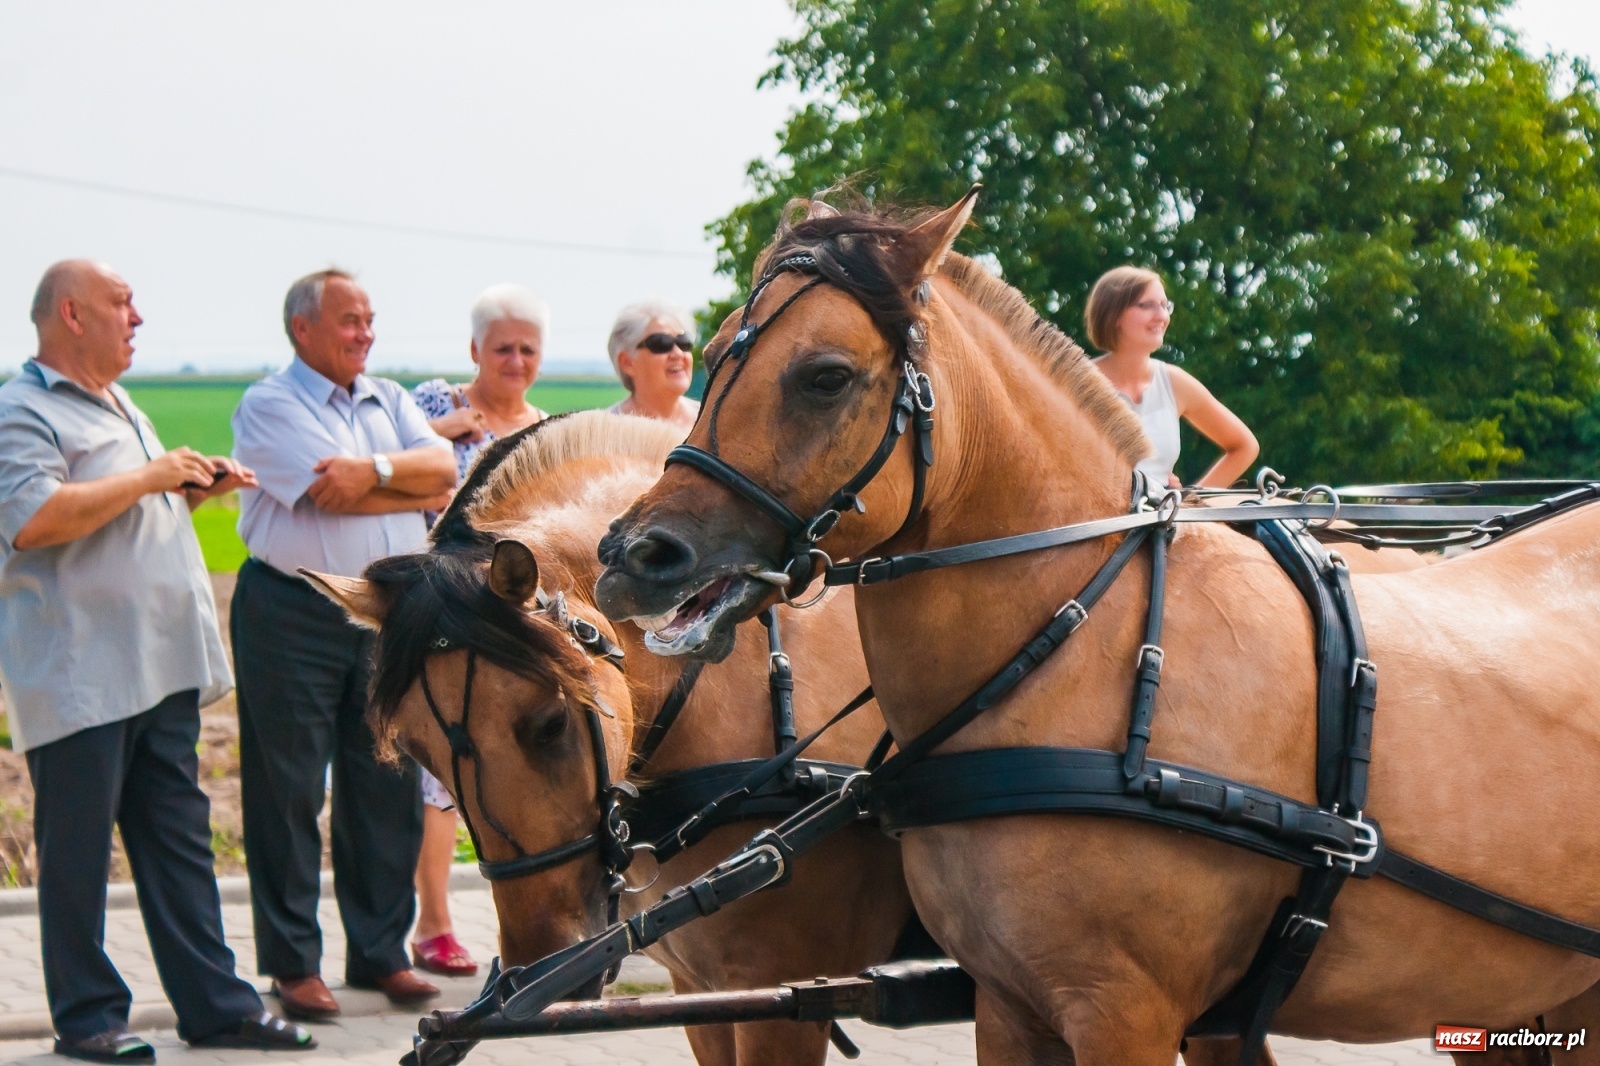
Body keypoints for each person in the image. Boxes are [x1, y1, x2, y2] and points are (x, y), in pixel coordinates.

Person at [0, 260, 315, 1061]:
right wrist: (151, 475)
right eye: (122, 303)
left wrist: (189, 489)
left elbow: (120, 509)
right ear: (72, 314)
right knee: (78, 857)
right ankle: (87, 1019)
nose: (137, 317)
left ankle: (217, 1008)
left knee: (180, 850)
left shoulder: (118, 402)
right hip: (81, 674)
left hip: (159, 668)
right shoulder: (21, 410)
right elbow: (33, 517)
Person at [230, 269, 457, 1021]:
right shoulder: (270, 403)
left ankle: (380, 953)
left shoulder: (389, 398)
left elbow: (443, 472)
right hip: (291, 610)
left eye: (369, 319)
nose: (366, 333)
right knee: (289, 789)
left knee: (385, 781)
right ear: (303, 329)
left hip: (384, 614)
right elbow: (329, 494)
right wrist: (403, 484)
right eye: (349, 320)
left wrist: (377, 471)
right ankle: (293, 965)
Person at [406, 283, 550, 977]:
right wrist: (440, 437)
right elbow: (397, 464)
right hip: (444, 609)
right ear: (474, 350)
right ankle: (433, 924)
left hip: (511, 620)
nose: (515, 361)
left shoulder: (545, 430)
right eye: (502, 349)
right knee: (442, 778)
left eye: (528, 349)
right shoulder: (434, 404)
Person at [1085, 266, 1258, 489]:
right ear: (1113, 314)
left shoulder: (1175, 383)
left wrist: (1191, 500)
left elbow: (1244, 446)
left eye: (1164, 305)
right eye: (1146, 305)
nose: (1161, 316)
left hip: (1163, 512)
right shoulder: (1077, 383)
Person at [605, 299, 700, 434]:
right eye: (661, 344)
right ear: (627, 362)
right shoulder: (605, 432)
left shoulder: (712, 423)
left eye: (684, 342)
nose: (678, 353)